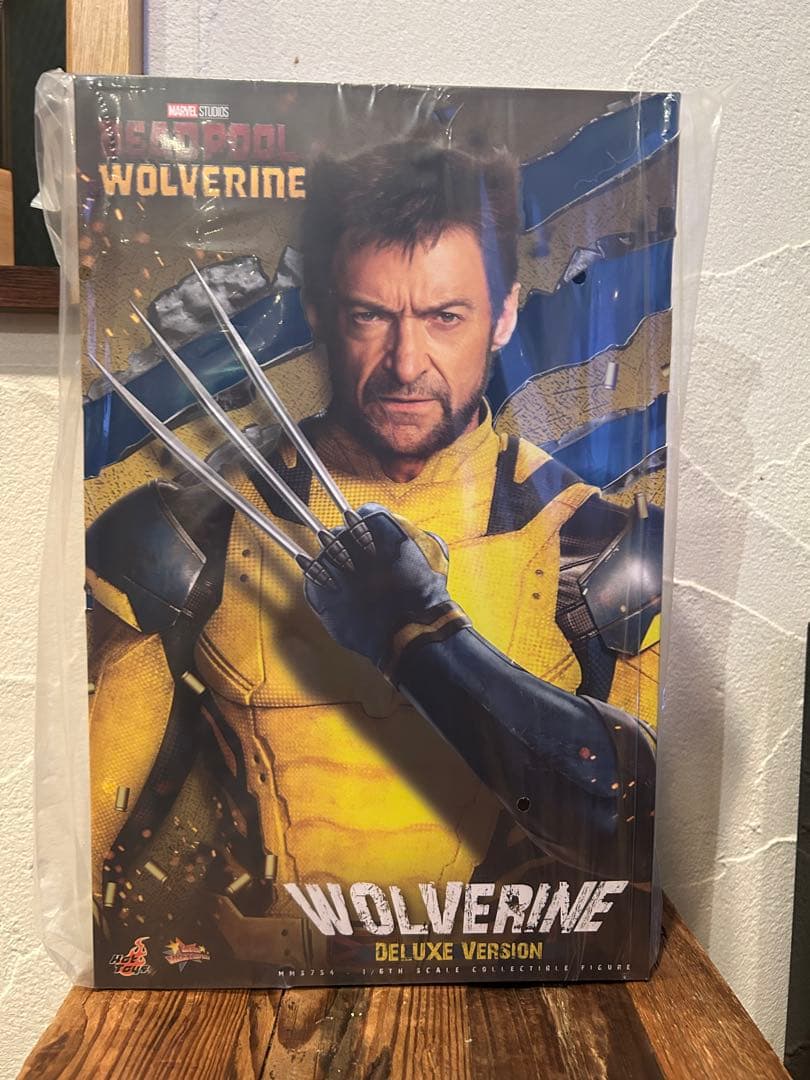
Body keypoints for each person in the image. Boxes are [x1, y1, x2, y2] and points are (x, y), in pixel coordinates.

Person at [87, 140, 661, 974]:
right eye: (370, 315)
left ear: (504, 315)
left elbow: (635, 833)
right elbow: (89, 848)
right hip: (262, 996)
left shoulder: (598, 551)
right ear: (320, 312)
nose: (405, 363)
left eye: (445, 317)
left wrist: (415, 632)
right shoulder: (197, 537)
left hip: (504, 991)